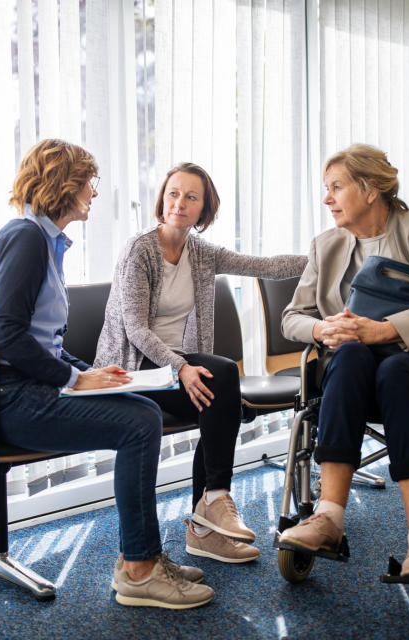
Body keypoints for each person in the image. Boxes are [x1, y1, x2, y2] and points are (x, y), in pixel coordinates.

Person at [0, 139, 213, 609]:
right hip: (5, 399)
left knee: (140, 409)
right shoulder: (26, 239)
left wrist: (89, 370)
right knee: (140, 422)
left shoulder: (39, 240)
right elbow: (6, 338)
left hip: (21, 388)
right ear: (65, 185)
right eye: (91, 181)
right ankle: (139, 569)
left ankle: (139, 559)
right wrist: (71, 379)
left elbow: (39, 338)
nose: (95, 191)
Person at [94, 162, 307, 563]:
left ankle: (208, 514)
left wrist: (325, 254)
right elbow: (136, 330)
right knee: (221, 381)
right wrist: (181, 368)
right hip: (133, 372)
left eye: (192, 197)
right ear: (162, 198)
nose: (180, 202)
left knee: (218, 382)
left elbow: (264, 266)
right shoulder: (139, 250)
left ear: (204, 208)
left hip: (174, 371)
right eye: (174, 193)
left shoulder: (201, 253)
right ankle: (210, 511)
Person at [278, 143, 409, 579]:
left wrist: (387, 330)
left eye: (336, 187)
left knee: (396, 369)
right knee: (347, 355)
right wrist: (321, 330)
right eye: (324, 188)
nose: (326, 198)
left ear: (371, 190)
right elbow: (292, 318)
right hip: (353, 376)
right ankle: (328, 517)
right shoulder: (325, 245)